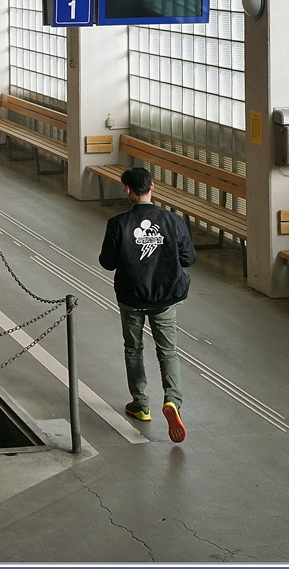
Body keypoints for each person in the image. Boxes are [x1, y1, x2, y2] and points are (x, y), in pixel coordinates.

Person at [98, 166, 196, 443]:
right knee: (168, 351)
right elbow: (188, 259)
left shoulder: (117, 223)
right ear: (153, 186)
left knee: (134, 349)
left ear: (127, 190)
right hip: (165, 298)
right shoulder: (173, 221)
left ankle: (140, 404)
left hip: (131, 298)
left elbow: (107, 263)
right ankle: (173, 401)